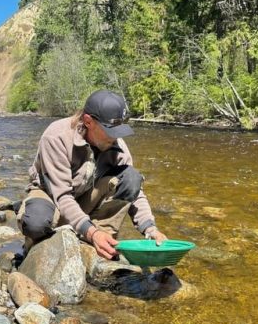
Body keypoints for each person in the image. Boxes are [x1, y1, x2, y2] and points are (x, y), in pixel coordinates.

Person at [17, 89, 167, 260]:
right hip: (51, 194)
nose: (116, 137)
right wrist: (92, 233)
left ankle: (102, 240)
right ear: (88, 121)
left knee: (131, 178)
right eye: (111, 130)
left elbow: (135, 193)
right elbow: (62, 196)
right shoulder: (56, 137)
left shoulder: (117, 146)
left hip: (86, 196)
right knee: (36, 224)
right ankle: (41, 239)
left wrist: (150, 229)